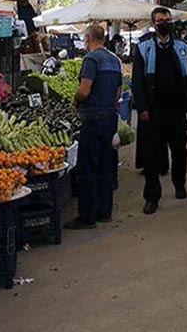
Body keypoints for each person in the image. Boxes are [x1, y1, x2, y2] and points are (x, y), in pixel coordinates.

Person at [132, 8, 187, 215]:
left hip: (177, 111)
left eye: (167, 20)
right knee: (151, 156)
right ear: (153, 23)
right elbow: (137, 82)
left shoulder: (182, 48)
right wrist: (141, 107)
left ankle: (180, 184)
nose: (164, 23)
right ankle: (152, 197)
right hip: (153, 111)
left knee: (179, 151)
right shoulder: (143, 49)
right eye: (160, 21)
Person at [65, 24, 123, 229]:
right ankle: (104, 211)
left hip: (92, 119)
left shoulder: (91, 60)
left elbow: (84, 90)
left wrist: (75, 101)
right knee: (105, 166)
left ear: (88, 38)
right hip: (109, 118)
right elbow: (118, 92)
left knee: (87, 168)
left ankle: (87, 216)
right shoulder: (114, 60)